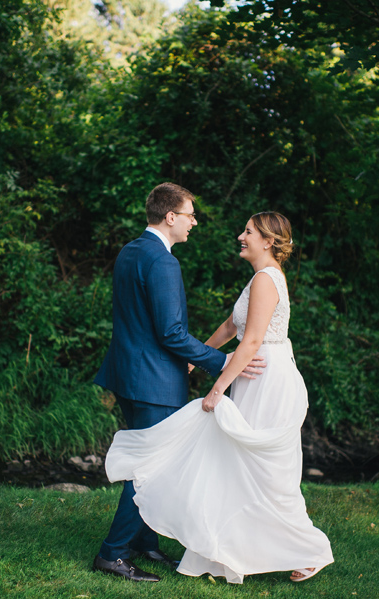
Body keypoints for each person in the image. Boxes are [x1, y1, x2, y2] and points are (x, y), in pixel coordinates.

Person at [105, 211, 334, 584]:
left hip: (265, 378)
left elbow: (253, 341)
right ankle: (231, 548)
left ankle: (310, 549)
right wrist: (196, 360)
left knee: (264, 470)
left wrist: (217, 388)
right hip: (254, 374)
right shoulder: (259, 278)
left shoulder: (265, 280)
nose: (240, 236)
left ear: (268, 241)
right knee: (239, 466)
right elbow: (232, 326)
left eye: (248, 232)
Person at [92, 183, 265, 583]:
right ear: (170, 217)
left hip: (127, 374)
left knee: (153, 461)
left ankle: (142, 542)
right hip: (153, 380)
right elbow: (170, 333)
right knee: (149, 467)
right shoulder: (164, 262)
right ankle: (112, 553)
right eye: (189, 214)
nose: (194, 221)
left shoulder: (131, 250)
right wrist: (224, 361)